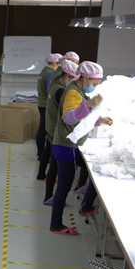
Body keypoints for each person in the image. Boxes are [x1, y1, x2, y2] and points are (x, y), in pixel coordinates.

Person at [50, 61, 113, 235]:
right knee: (63, 187)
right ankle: (56, 224)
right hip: (66, 147)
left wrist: (99, 120)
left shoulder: (78, 91)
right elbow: (69, 117)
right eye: (94, 83)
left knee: (91, 170)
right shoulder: (72, 92)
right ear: (85, 78)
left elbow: (83, 117)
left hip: (70, 146)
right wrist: (89, 105)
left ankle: (86, 205)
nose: (95, 87)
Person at [40, 59, 79, 205]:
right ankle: (51, 198)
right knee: (55, 167)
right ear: (68, 77)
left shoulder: (54, 85)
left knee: (53, 165)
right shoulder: (61, 91)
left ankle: (48, 196)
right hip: (55, 131)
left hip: (51, 129)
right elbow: (68, 115)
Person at [36, 53, 63, 160]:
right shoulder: (50, 73)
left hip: (41, 103)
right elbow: (50, 90)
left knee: (42, 129)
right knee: (44, 130)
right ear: (55, 63)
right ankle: (41, 154)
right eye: (59, 65)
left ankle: (40, 153)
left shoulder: (44, 71)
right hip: (45, 105)